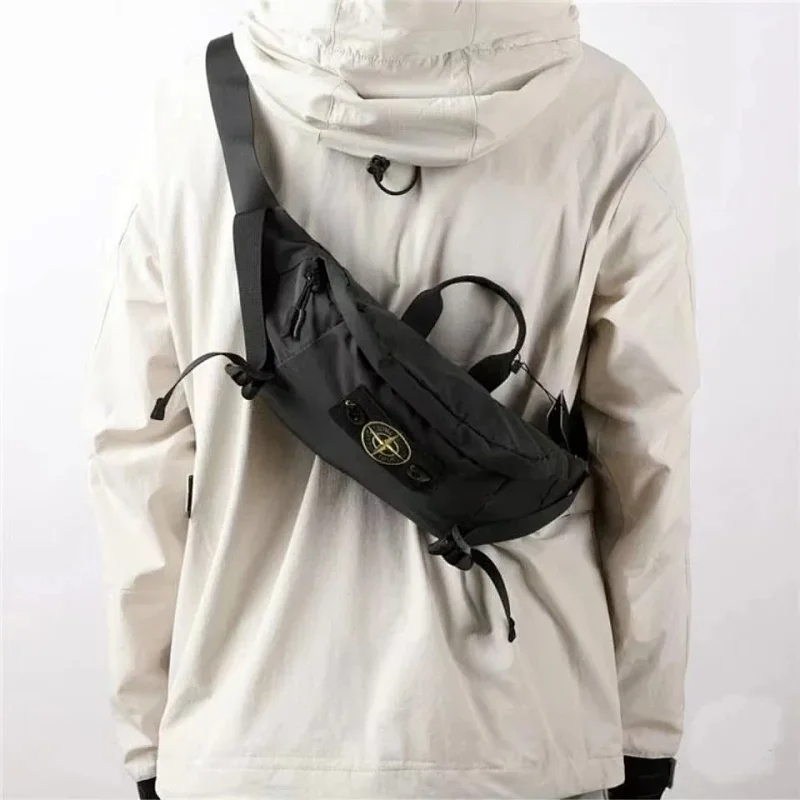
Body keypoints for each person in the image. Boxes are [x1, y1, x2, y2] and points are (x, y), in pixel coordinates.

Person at [84, 2, 699, 798]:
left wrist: (148, 734)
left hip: (247, 732)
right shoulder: (610, 120)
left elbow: (136, 455)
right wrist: (643, 730)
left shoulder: (188, 117)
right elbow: (647, 453)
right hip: (521, 735)